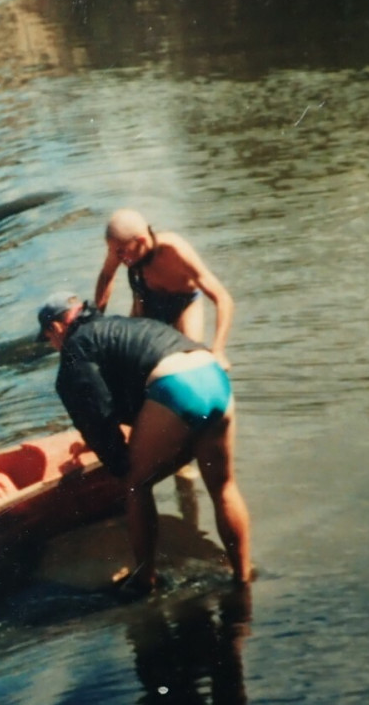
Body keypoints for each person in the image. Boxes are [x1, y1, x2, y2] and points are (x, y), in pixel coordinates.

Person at [38, 292, 252, 595]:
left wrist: (118, 462)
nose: (53, 345)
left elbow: (96, 413)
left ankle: (144, 580)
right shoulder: (117, 325)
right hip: (211, 374)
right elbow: (132, 394)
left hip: (176, 388)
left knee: (136, 485)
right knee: (224, 487)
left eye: (49, 338)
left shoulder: (76, 348)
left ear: (57, 328)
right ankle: (243, 577)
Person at [94, 208, 235, 367]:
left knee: (193, 360)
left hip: (185, 303)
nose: (117, 257)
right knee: (131, 359)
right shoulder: (120, 248)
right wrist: (96, 318)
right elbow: (107, 276)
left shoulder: (175, 250)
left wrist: (218, 350)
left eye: (121, 252)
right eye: (113, 251)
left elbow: (223, 298)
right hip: (148, 300)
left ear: (141, 241)